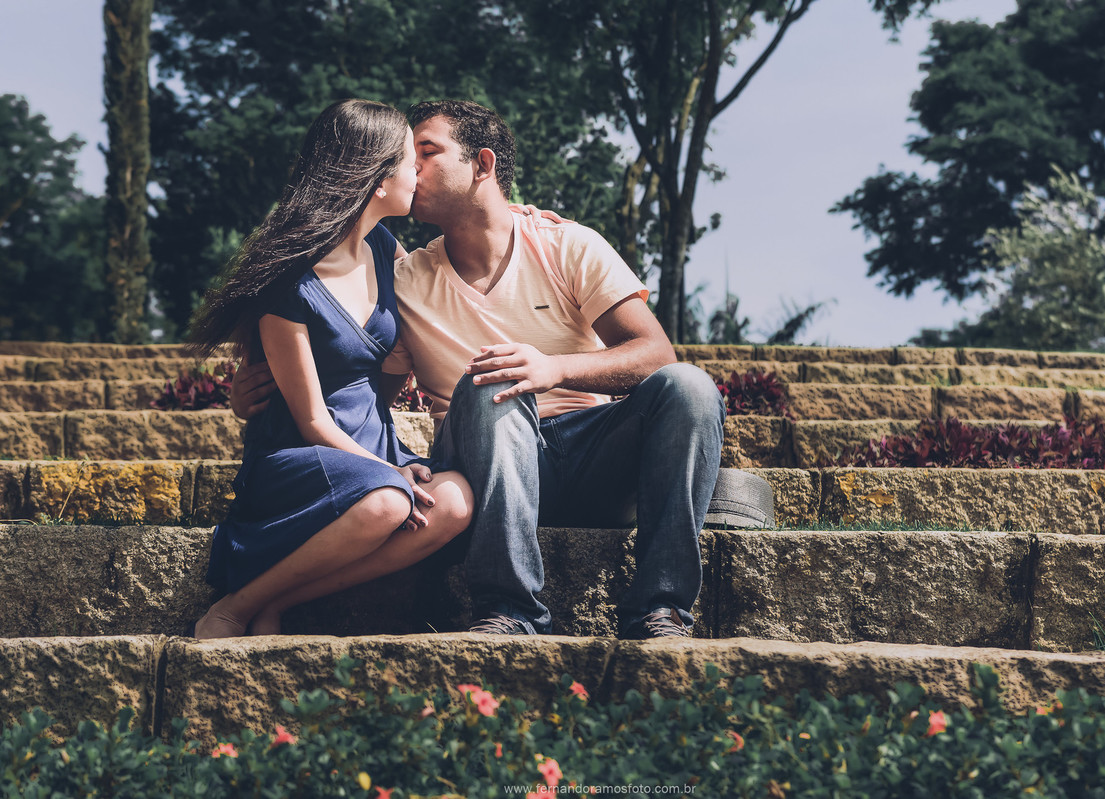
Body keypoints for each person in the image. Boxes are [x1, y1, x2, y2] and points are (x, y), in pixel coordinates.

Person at [234, 99, 724, 640]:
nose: (410, 168)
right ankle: (509, 609)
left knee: (690, 387)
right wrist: (267, 388)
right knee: (491, 383)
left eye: (427, 151)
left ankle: (662, 608)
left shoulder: (568, 245)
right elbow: (360, 383)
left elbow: (656, 354)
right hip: (482, 470)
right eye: (407, 155)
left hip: (592, 458)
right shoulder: (406, 279)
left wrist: (553, 369)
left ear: (482, 165)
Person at [188, 99, 473, 640]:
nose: (420, 173)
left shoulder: (384, 248)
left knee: (456, 500)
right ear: (376, 176)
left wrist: (524, 221)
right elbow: (314, 421)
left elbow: (454, 260)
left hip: (374, 446)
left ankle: (281, 597)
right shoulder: (288, 277)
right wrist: (388, 475)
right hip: (304, 455)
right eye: (411, 160)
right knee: (388, 501)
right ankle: (231, 607)